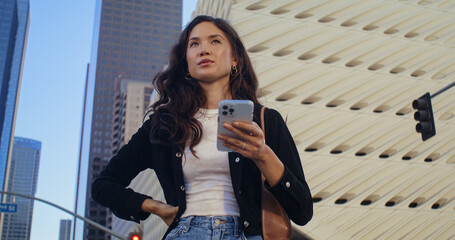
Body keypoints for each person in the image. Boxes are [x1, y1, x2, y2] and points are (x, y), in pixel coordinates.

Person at [91, 15, 313, 240]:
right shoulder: (164, 125)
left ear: (235, 58)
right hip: (187, 232)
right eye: (194, 44)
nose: (204, 49)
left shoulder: (266, 121)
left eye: (215, 41)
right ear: (186, 62)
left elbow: (302, 211)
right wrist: (155, 207)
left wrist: (263, 155)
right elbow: (103, 185)